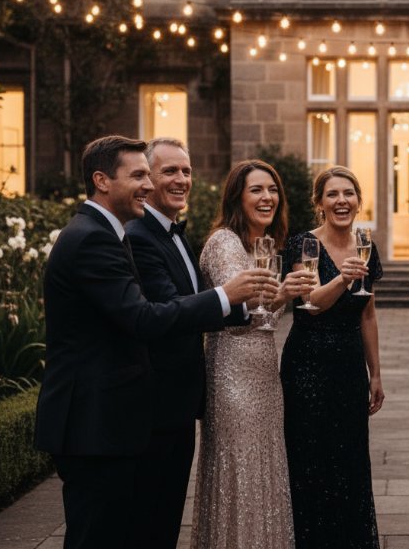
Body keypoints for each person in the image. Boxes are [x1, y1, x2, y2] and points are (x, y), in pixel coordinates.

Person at [35, 135, 266, 549]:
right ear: (102, 180)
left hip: (113, 419)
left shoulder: (110, 233)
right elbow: (142, 317)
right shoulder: (92, 238)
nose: (148, 185)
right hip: (94, 421)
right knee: (97, 538)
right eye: (139, 175)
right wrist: (225, 296)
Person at [123, 138, 249, 549]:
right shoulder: (140, 236)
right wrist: (229, 296)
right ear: (147, 180)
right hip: (155, 406)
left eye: (187, 171)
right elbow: (167, 310)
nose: (181, 180)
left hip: (179, 403)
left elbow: (195, 304)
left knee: (166, 520)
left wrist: (246, 306)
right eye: (169, 171)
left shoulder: (174, 233)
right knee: (148, 523)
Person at [192, 159, 314, 548]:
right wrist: (283, 293)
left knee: (265, 466)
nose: (267, 198)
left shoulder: (265, 246)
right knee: (240, 470)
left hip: (264, 373)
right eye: (257, 190)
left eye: (273, 190)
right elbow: (240, 309)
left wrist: (282, 295)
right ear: (237, 197)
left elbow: (265, 317)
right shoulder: (224, 242)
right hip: (233, 374)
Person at [281, 166, 384, 549]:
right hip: (308, 366)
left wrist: (375, 373)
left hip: (348, 367)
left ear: (358, 201)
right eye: (332, 194)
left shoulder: (365, 245)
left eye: (348, 194)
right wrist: (343, 277)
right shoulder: (303, 244)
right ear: (319, 203)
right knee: (311, 462)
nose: (342, 201)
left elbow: (368, 314)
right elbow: (310, 303)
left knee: (350, 462)